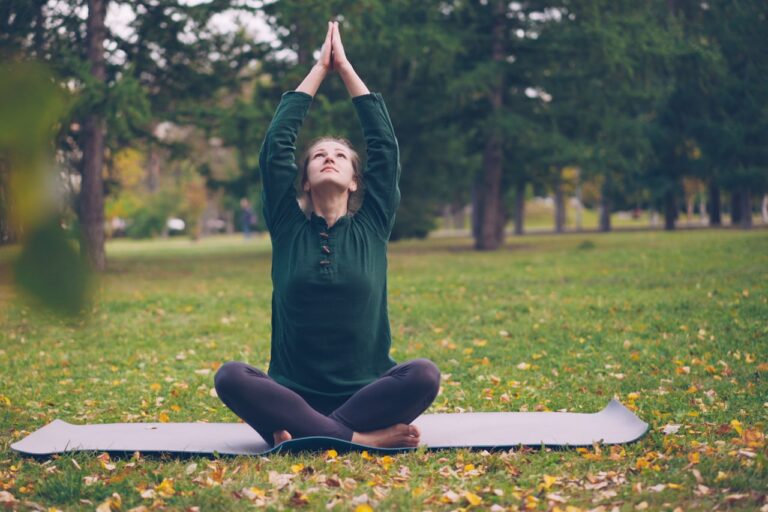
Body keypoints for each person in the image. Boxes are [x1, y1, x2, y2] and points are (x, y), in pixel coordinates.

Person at [214, 21, 440, 448]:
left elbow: (385, 148)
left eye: (340, 155)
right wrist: (319, 70)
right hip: (293, 394)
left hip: (367, 394)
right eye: (318, 155)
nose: (329, 159)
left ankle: (307, 434)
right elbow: (275, 147)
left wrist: (347, 70)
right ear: (304, 181)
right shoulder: (286, 226)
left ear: (356, 180)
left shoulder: (372, 224)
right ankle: (358, 439)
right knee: (229, 376)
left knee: (424, 373)